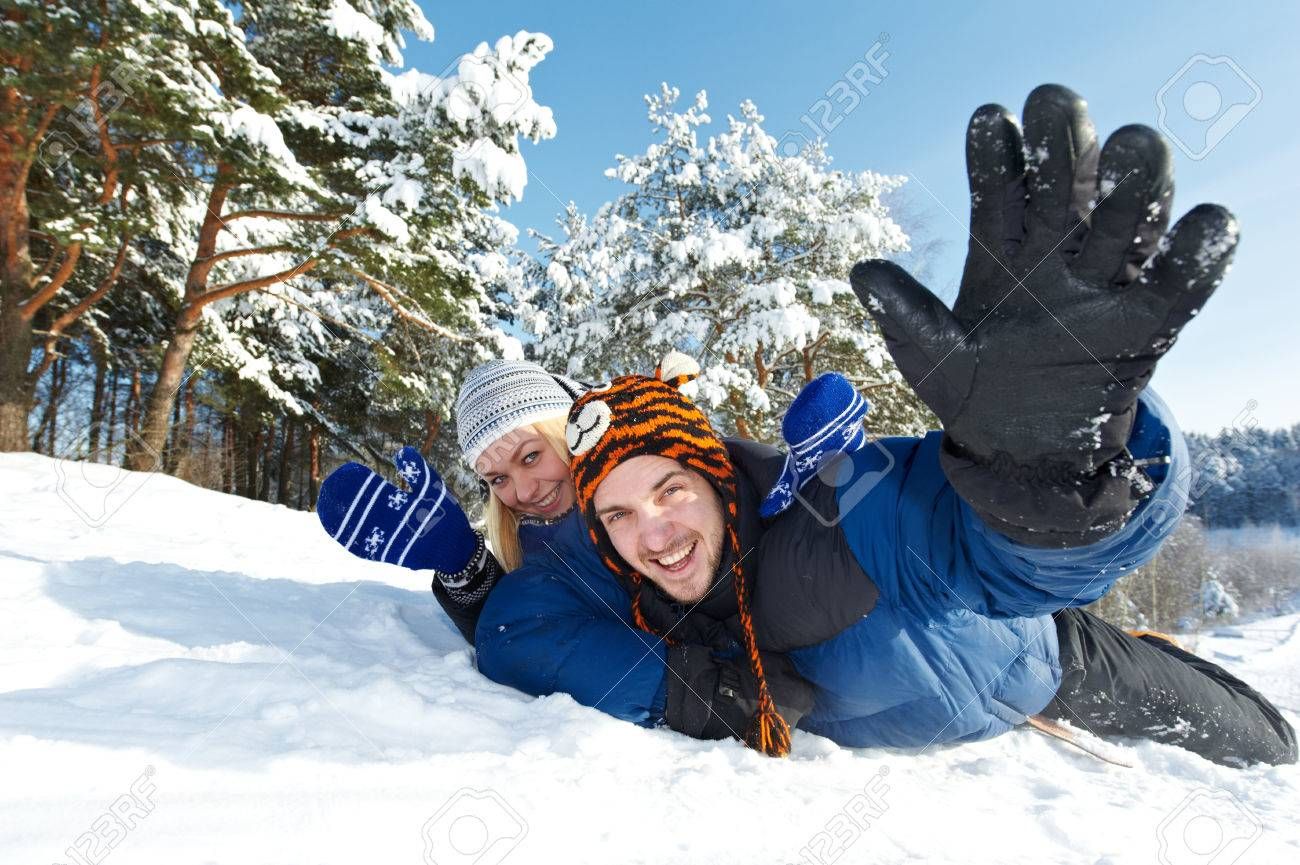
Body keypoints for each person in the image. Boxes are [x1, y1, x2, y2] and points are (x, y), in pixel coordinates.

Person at [474, 83, 1298, 767]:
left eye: (670, 490)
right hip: (970, 704)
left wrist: (1045, 483)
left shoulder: (837, 508)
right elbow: (518, 626)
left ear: (717, 474)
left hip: (1038, 653)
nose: (650, 531)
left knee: (1266, 745)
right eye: (616, 512)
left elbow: (968, 540)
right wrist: (686, 687)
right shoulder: (617, 575)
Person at [314, 359, 588, 642]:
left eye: (531, 456)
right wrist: (461, 561)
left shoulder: (635, 470)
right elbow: (523, 633)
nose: (525, 492)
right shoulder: (534, 541)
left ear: (567, 433)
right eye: (498, 479)